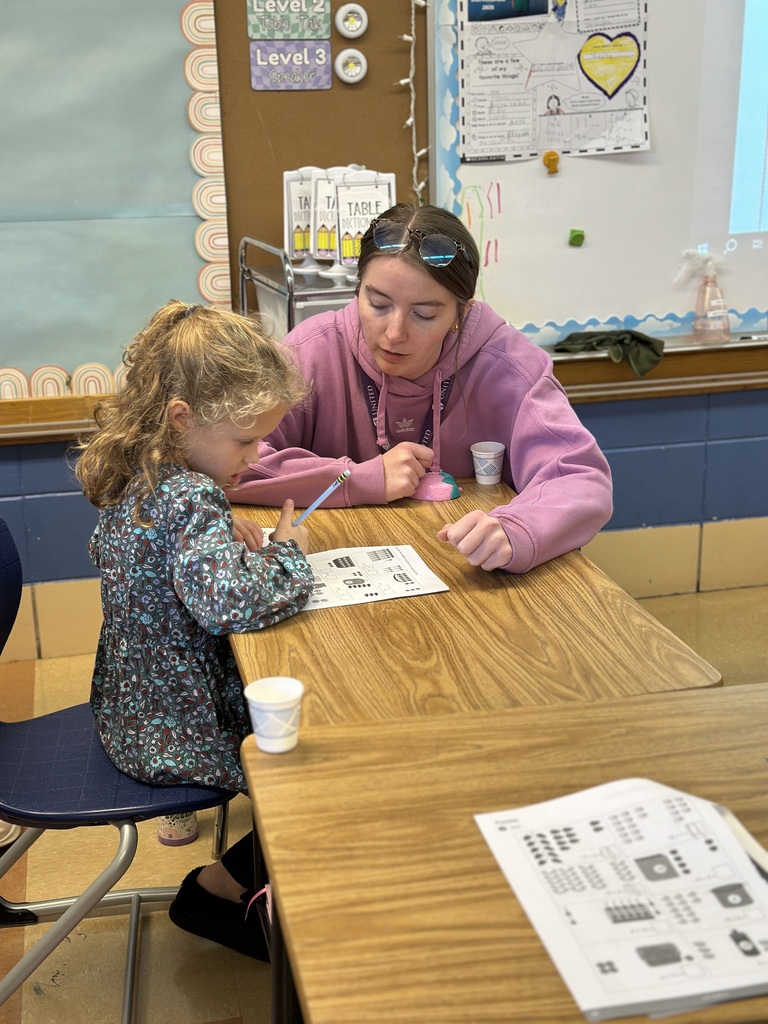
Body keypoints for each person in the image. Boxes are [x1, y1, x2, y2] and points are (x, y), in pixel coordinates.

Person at [75, 300, 314, 960]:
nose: (257, 454)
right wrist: (288, 553)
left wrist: (215, 539)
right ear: (182, 418)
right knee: (313, 756)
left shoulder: (144, 470)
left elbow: (167, 568)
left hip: (129, 706)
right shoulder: (193, 495)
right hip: (173, 727)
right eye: (245, 441)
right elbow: (226, 604)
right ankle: (219, 895)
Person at [227, 203, 613, 572]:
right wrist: (361, 479)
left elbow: (581, 478)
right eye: (377, 304)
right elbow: (227, 460)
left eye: (424, 314)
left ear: (461, 313)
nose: (394, 334)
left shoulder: (510, 365)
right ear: (357, 290)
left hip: (467, 581)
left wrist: (519, 528)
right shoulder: (310, 352)